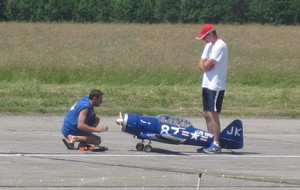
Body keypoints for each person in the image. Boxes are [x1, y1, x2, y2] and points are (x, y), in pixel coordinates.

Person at [196, 24, 228, 153]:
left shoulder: (220, 46)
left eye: (205, 37)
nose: (204, 40)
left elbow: (207, 65)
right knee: (207, 113)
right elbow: (201, 64)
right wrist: (204, 65)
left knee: (213, 114)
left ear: (211, 34)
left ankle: (216, 143)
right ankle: (209, 140)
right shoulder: (208, 46)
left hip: (216, 85)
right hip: (207, 83)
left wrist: (204, 65)